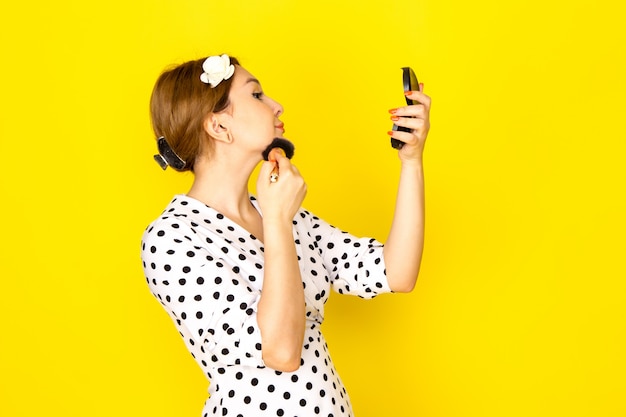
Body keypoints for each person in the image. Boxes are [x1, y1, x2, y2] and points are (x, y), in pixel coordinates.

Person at [140, 53, 431, 417]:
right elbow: (280, 352)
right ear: (218, 127)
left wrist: (412, 161)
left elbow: (396, 272)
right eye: (257, 95)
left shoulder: (279, 210)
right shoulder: (172, 239)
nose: (276, 106)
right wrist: (277, 221)